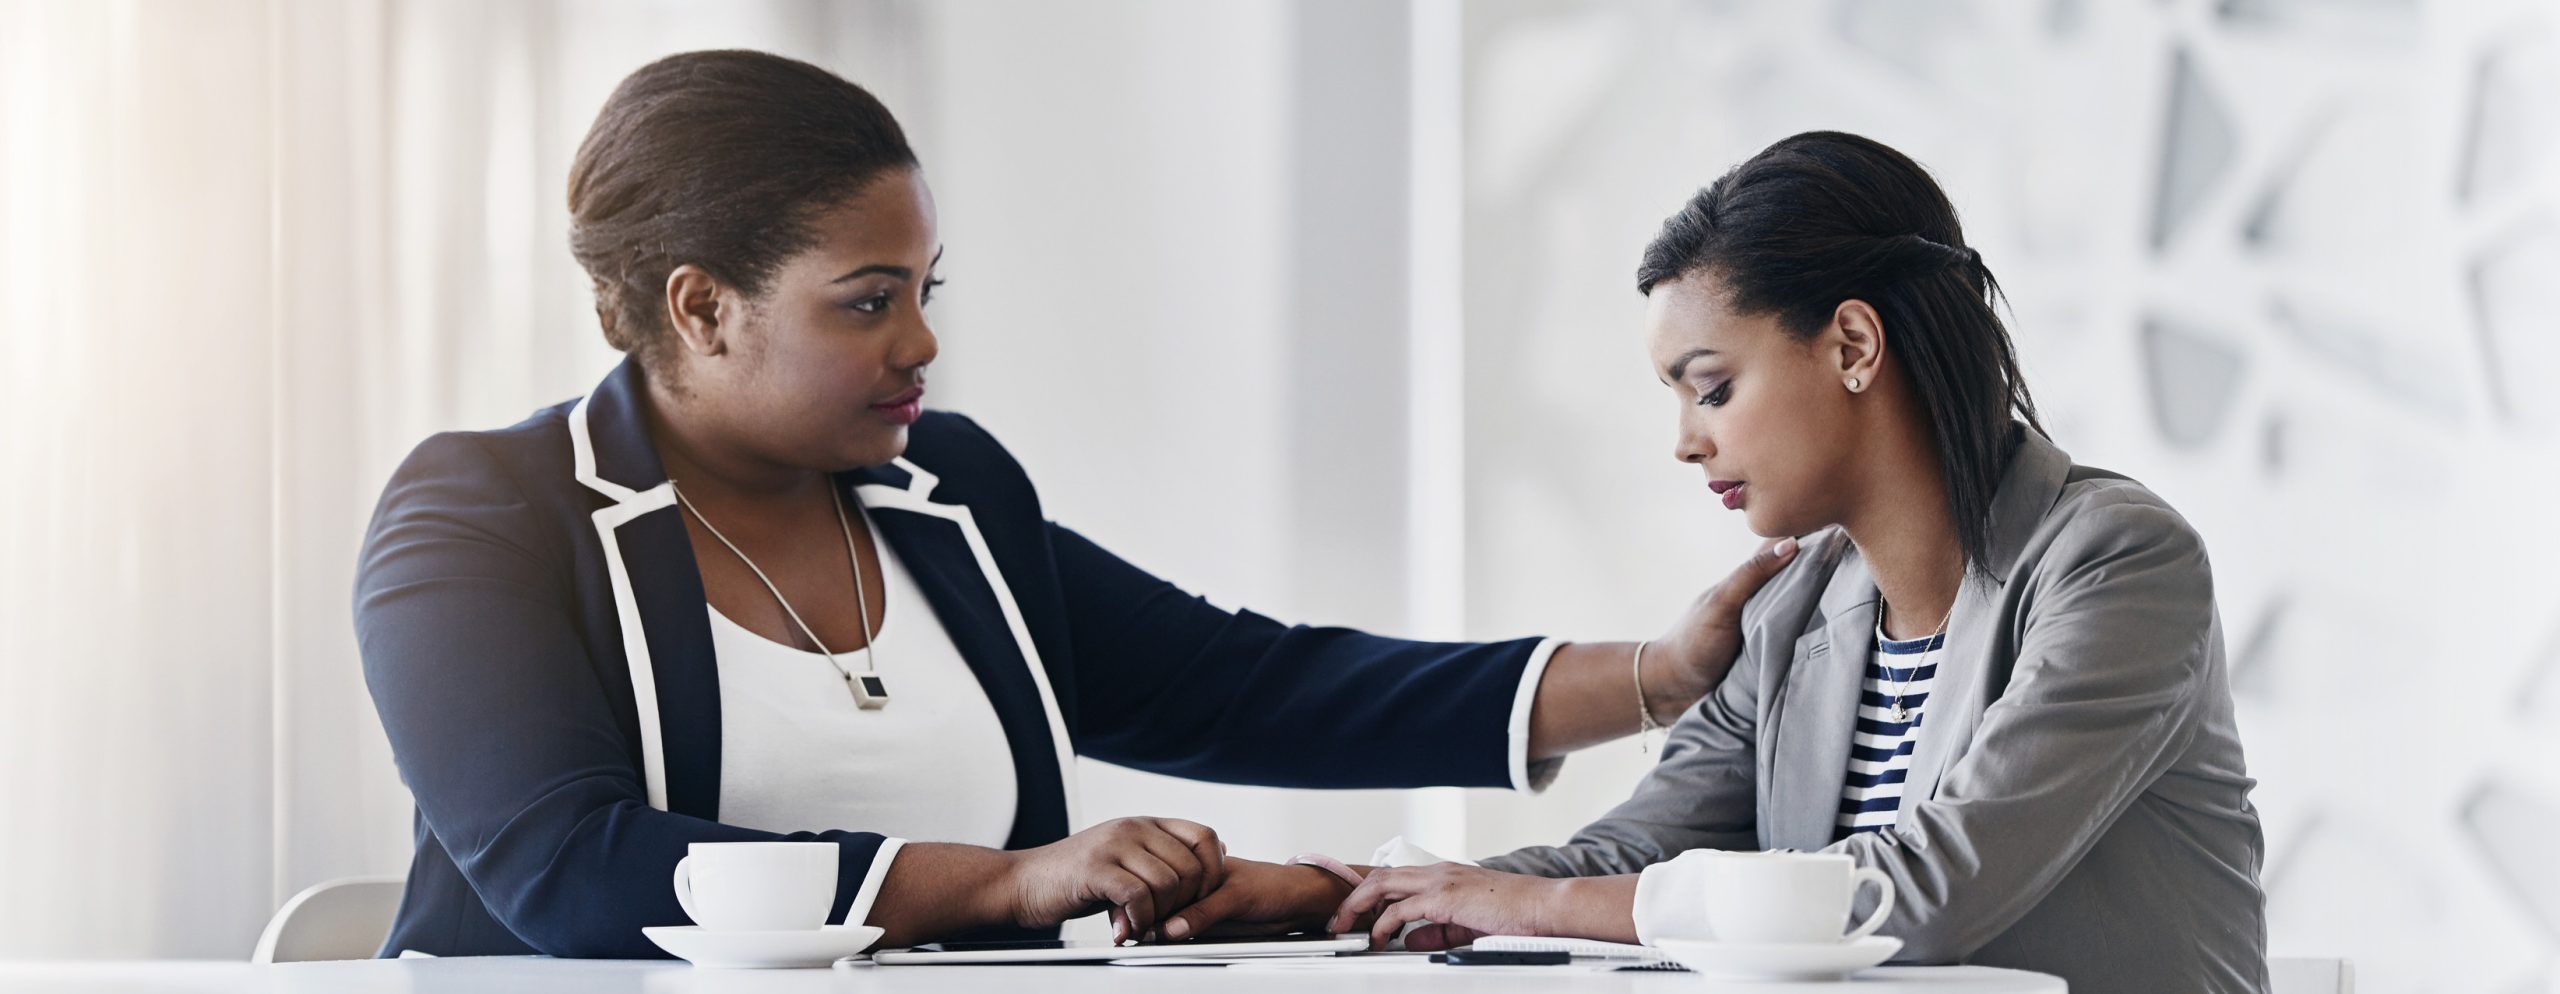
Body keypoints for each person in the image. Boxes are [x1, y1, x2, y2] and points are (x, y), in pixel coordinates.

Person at [353, 49, 1788, 959]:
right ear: (702, 307)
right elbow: (570, 869)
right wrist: (1005, 881)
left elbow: (1243, 684)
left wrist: (1658, 676)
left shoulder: (948, 493)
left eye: (925, 293)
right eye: (866, 303)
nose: (918, 345)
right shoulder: (480, 519)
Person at [1167, 132, 2269, 994]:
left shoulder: (2118, 562)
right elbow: (1628, 856)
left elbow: (1924, 891)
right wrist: (1339, 890)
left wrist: (1519, 905)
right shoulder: (1792, 612)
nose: (1687, 439)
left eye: (1712, 385)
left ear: (1851, 345)